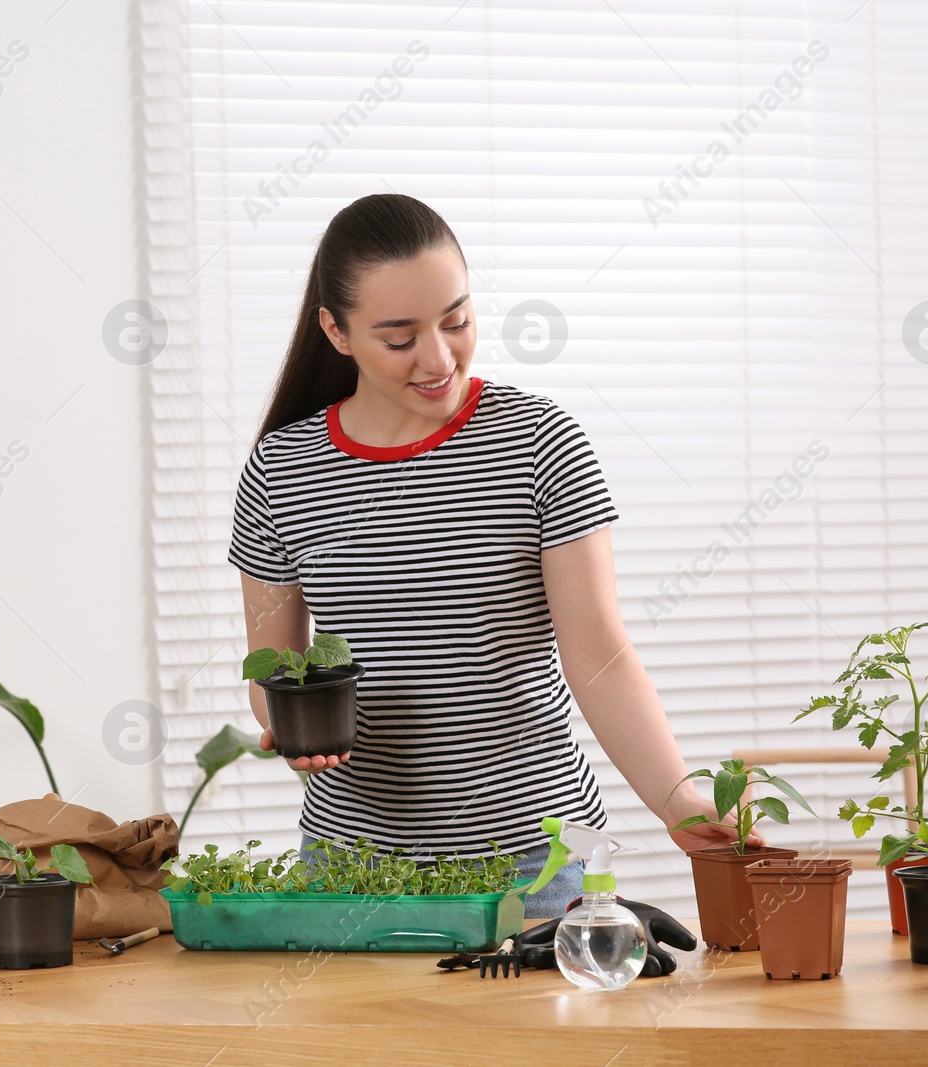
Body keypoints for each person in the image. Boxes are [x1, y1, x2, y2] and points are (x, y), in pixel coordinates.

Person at [228, 193, 757, 920]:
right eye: (399, 336)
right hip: (352, 868)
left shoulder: (540, 444)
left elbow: (599, 655)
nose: (439, 357)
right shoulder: (282, 471)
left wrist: (678, 800)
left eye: (457, 320)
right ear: (336, 330)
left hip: (534, 862)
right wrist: (291, 726)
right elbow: (271, 666)